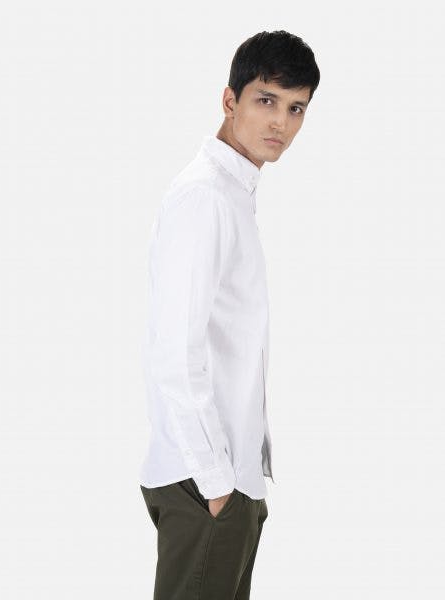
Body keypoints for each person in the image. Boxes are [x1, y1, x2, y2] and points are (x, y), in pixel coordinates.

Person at [139, 29, 320, 600]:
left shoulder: (233, 195)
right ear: (229, 100)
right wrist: (218, 486)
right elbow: (176, 352)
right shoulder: (206, 198)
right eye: (266, 100)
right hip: (206, 488)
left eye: (296, 108)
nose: (281, 123)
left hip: (228, 484)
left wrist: (239, 486)